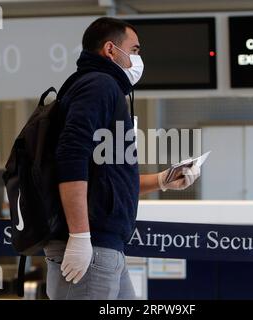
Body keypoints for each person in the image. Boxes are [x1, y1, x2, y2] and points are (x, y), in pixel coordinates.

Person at [44, 17, 200, 300]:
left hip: (105, 245)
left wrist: (163, 180)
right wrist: (80, 236)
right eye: (135, 50)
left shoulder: (103, 89)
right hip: (91, 244)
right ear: (111, 50)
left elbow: (108, 180)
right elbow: (71, 156)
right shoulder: (99, 85)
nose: (138, 59)